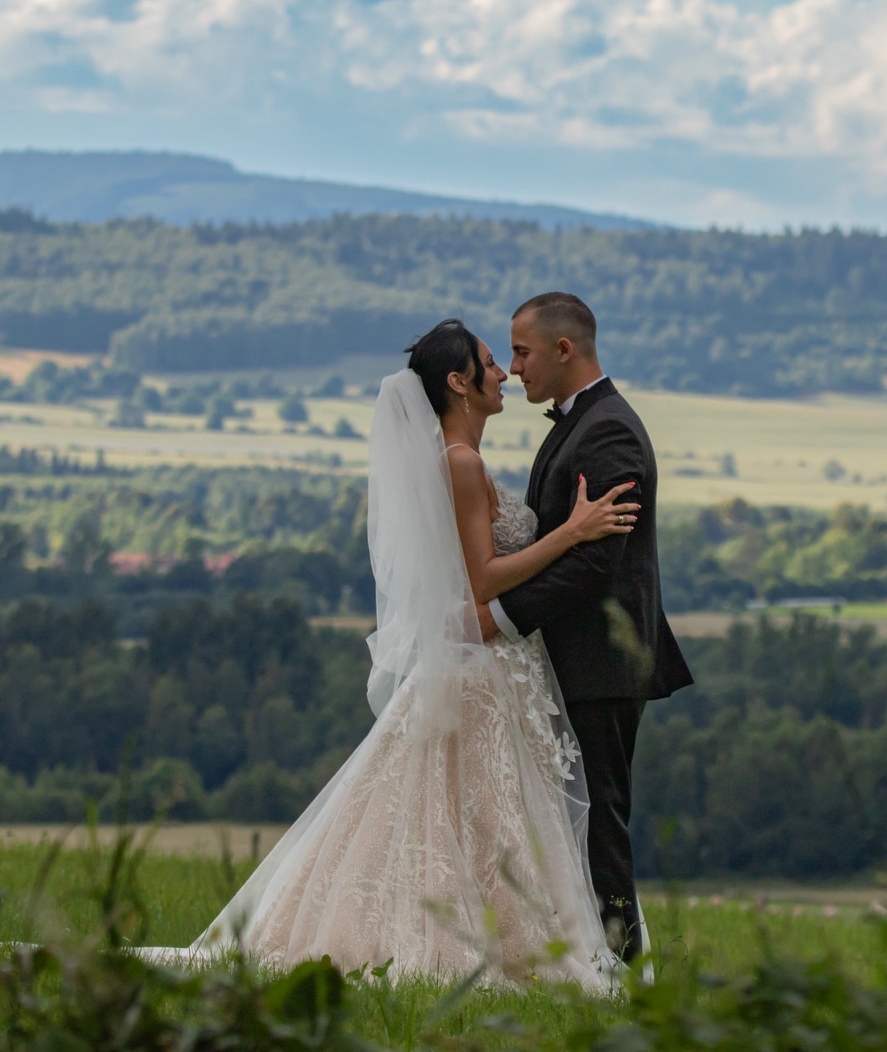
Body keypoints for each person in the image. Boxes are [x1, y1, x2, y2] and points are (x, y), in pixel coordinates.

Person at [137, 320, 638, 988]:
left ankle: (508, 938)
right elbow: (485, 578)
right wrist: (572, 533)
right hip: (483, 672)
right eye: (492, 362)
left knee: (480, 822)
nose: (505, 372)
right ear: (459, 381)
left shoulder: (466, 460)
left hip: (494, 666)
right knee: (476, 820)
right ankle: (489, 946)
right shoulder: (460, 463)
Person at [491, 292, 693, 962]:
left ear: (563, 348)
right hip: (580, 659)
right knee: (578, 818)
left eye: (521, 351)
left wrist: (502, 618)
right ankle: (592, 957)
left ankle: (621, 964)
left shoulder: (607, 429)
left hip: (602, 661)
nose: (514, 366)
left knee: (599, 817)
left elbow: (596, 562)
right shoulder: (582, 422)